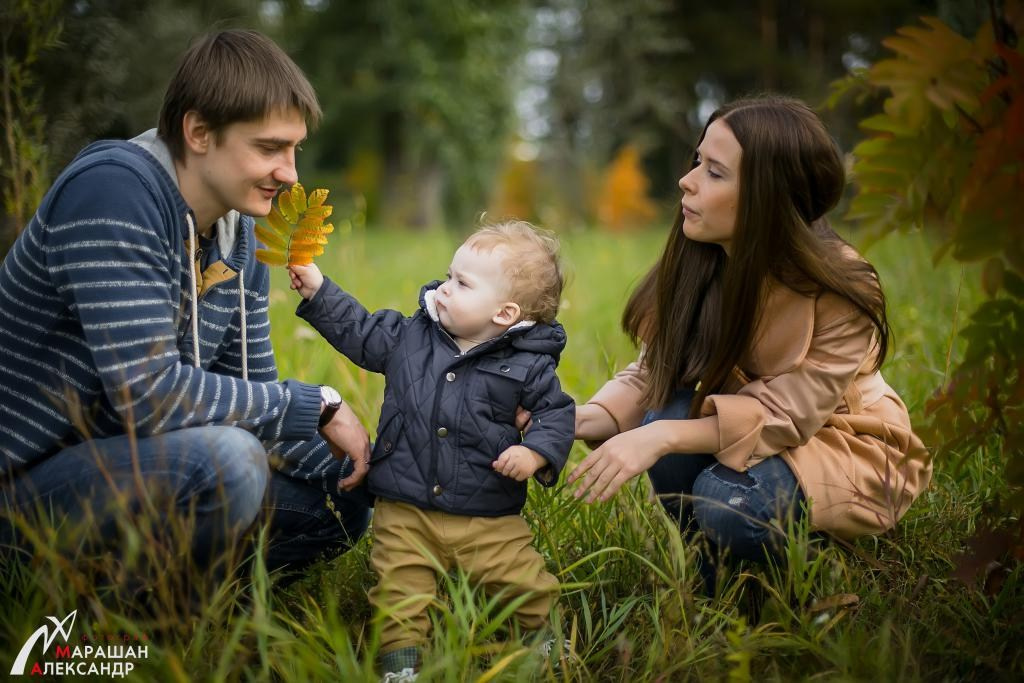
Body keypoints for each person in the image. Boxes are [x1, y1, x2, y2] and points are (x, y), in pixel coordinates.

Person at [0, 29, 370, 581]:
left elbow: (254, 397)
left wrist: (389, 470)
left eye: (294, 149)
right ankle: (140, 624)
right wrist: (317, 404)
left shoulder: (237, 232)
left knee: (346, 494)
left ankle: (188, 606)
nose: (291, 173)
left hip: (132, 473)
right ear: (198, 132)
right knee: (227, 463)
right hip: (24, 490)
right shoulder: (114, 191)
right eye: (269, 148)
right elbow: (147, 397)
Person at [568, 96, 931, 590]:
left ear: (768, 196)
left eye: (715, 172)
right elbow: (658, 370)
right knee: (666, 417)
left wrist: (660, 437)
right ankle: (718, 588)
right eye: (697, 161)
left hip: (842, 441)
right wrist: (586, 418)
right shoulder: (704, 259)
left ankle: (819, 574)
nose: (687, 180)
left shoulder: (841, 284)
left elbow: (789, 416)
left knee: (724, 499)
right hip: (747, 431)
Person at [289, 221, 575, 680]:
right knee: (399, 590)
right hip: (406, 506)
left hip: (488, 513)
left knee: (523, 580)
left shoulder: (528, 366)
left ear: (504, 313)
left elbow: (556, 413)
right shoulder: (411, 336)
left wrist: (536, 453)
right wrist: (319, 291)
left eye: (462, 283)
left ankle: (544, 640)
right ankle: (402, 666)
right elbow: (361, 331)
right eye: (448, 275)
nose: (443, 289)